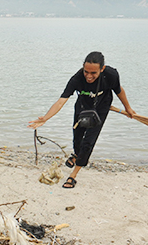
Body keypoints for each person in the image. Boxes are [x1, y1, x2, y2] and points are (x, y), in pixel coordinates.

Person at [28, 51, 136, 189]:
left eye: (93, 73)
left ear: (102, 69)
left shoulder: (111, 75)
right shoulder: (77, 79)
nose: (89, 76)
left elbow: (119, 90)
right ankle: (76, 154)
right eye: (86, 72)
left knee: (88, 142)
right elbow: (61, 101)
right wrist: (46, 118)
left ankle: (73, 175)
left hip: (101, 108)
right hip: (83, 108)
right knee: (77, 139)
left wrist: (128, 108)